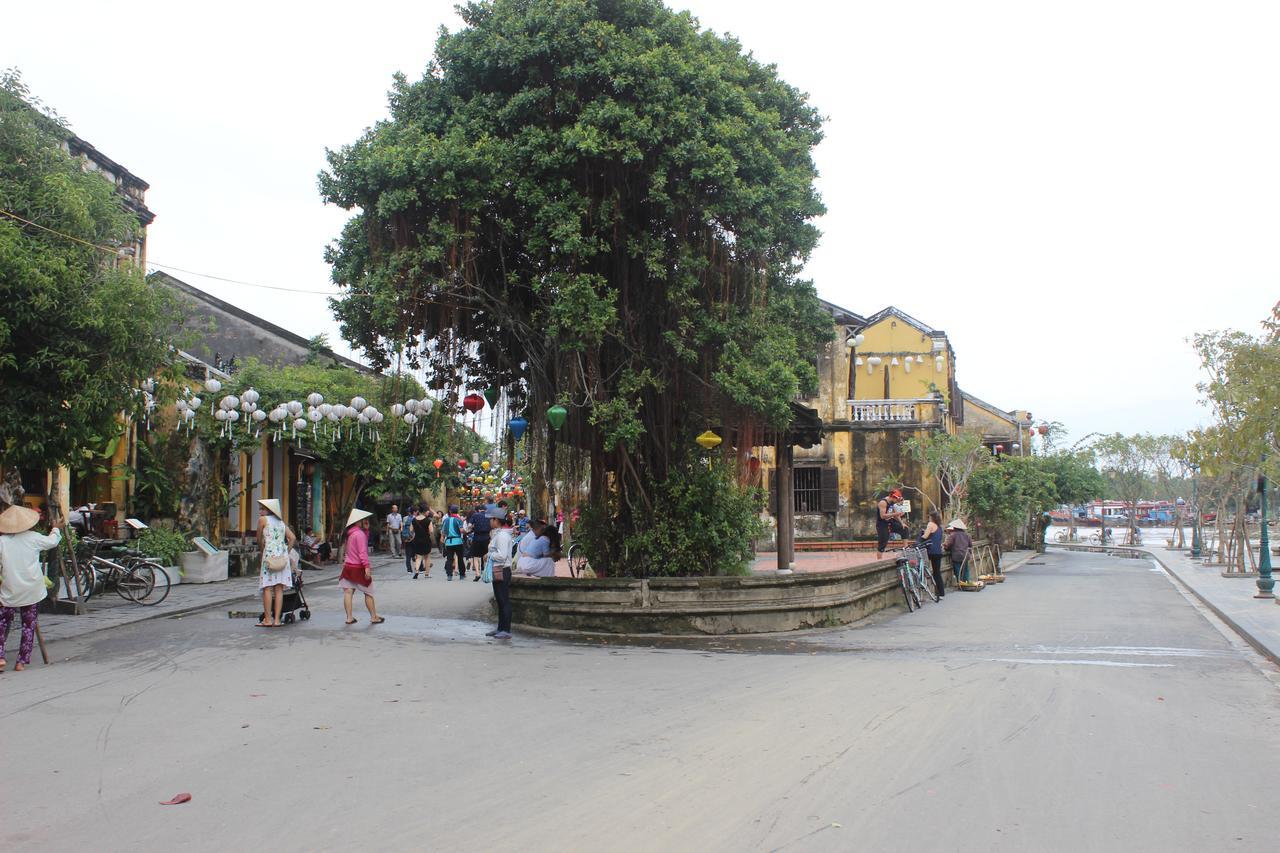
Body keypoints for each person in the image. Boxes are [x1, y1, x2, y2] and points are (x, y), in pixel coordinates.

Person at [0, 505, 61, 672]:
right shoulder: (34, 538)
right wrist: (55, 529)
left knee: (2, 623)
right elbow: (53, 541)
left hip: (9, 590)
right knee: (28, 625)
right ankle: (21, 662)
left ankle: (0, 657)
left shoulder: (2, 542)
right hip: (32, 590)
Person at [256, 499, 297, 628]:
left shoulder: (263, 520)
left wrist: (263, 550)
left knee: (267, 588)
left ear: (268, 510)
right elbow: (293, 538)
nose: (260, 511)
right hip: (282, 559)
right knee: (279, 589)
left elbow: (258, 539)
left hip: (269, 557)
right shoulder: (281, 522)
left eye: (262, 509)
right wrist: (286, 551)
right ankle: (277, 620)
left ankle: (268, 619)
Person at [340, 508, 383, 625]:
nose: (365, 521)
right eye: (363, 520)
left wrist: (366, 530)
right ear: (358, 521)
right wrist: (367, 567)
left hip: (348, 566)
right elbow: (362, 552)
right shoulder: (359, 534)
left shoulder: (349, 533)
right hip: (358, 567)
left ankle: (349, 617)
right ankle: (373, 616)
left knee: (348, 592)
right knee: (368, 592)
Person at [486, 515, 516, 639]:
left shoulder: (502, 536)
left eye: (491, 519)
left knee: (503, 600)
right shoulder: (499, 534)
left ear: (496, 520)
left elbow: (502, 555)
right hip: (498, 569)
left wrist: (489, 555)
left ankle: (506, 629)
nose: (489, 522)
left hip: (502, 569)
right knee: (499, 599)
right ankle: (500, 627)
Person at [919, 509, 946, 597]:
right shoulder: (940, 527)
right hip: (938, 551)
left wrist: (920, 536)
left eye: (929, 517)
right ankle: (940, 593)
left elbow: (925, 536)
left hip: (930, 551)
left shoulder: (930, 524)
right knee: (937, 572)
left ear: (932, 517)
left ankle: (923, 590)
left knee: (923, 569)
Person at [875, 489, 906, 559]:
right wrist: (895, 513)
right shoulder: (883, 503)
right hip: (882, 524)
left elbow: (896, 515)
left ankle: (906, 550)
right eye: (897, 499)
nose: (897, 501)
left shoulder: (893, 503)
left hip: (890, 521)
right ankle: (879, 561)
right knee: (883, 542)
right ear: (893, 497)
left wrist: (902, 523)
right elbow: (882, 516)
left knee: (904, 529)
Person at [466, 503, 492, 582]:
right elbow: (492, 527)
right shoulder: (489, 516)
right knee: (486, 555)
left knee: (475, 556)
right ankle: (485, 572)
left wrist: (471, 528)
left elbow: (469, 525)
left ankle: (477, 573)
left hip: (477, 537)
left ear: (479, 510)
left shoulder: (475, 515)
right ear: (485, 510)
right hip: (486, 537)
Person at [441, 504, 466, 580]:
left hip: (449, 542)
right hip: (458, 541)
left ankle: (449, 575)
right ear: (457, 511)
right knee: (460, 558)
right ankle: (462, 575)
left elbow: (443, 532)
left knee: (449, 559)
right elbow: (461, 530)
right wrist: (466, 532)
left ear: (450, 511)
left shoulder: (446, 520)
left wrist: (443, 538)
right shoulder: (458, 520)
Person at [944, 519, 973, 584]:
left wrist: (945, 547)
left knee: (958, 569)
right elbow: (970, 545)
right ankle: (967, 582)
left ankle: (960, 583)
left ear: (954, 527)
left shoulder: (953, 535)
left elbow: (948, 545)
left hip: (956, 555)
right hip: (965, 555)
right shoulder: (967, 535)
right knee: (965, 569)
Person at [409, 504, 434, 579]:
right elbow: (431, 531)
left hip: (417, 540)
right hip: (426, 540)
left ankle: (417, 571)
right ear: (425, 511)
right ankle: (427, 574)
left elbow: (411, 530)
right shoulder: (428, 520)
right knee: (427, 557)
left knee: (418, 557)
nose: (428, 513)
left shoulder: (414, 520)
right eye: (428, 511)